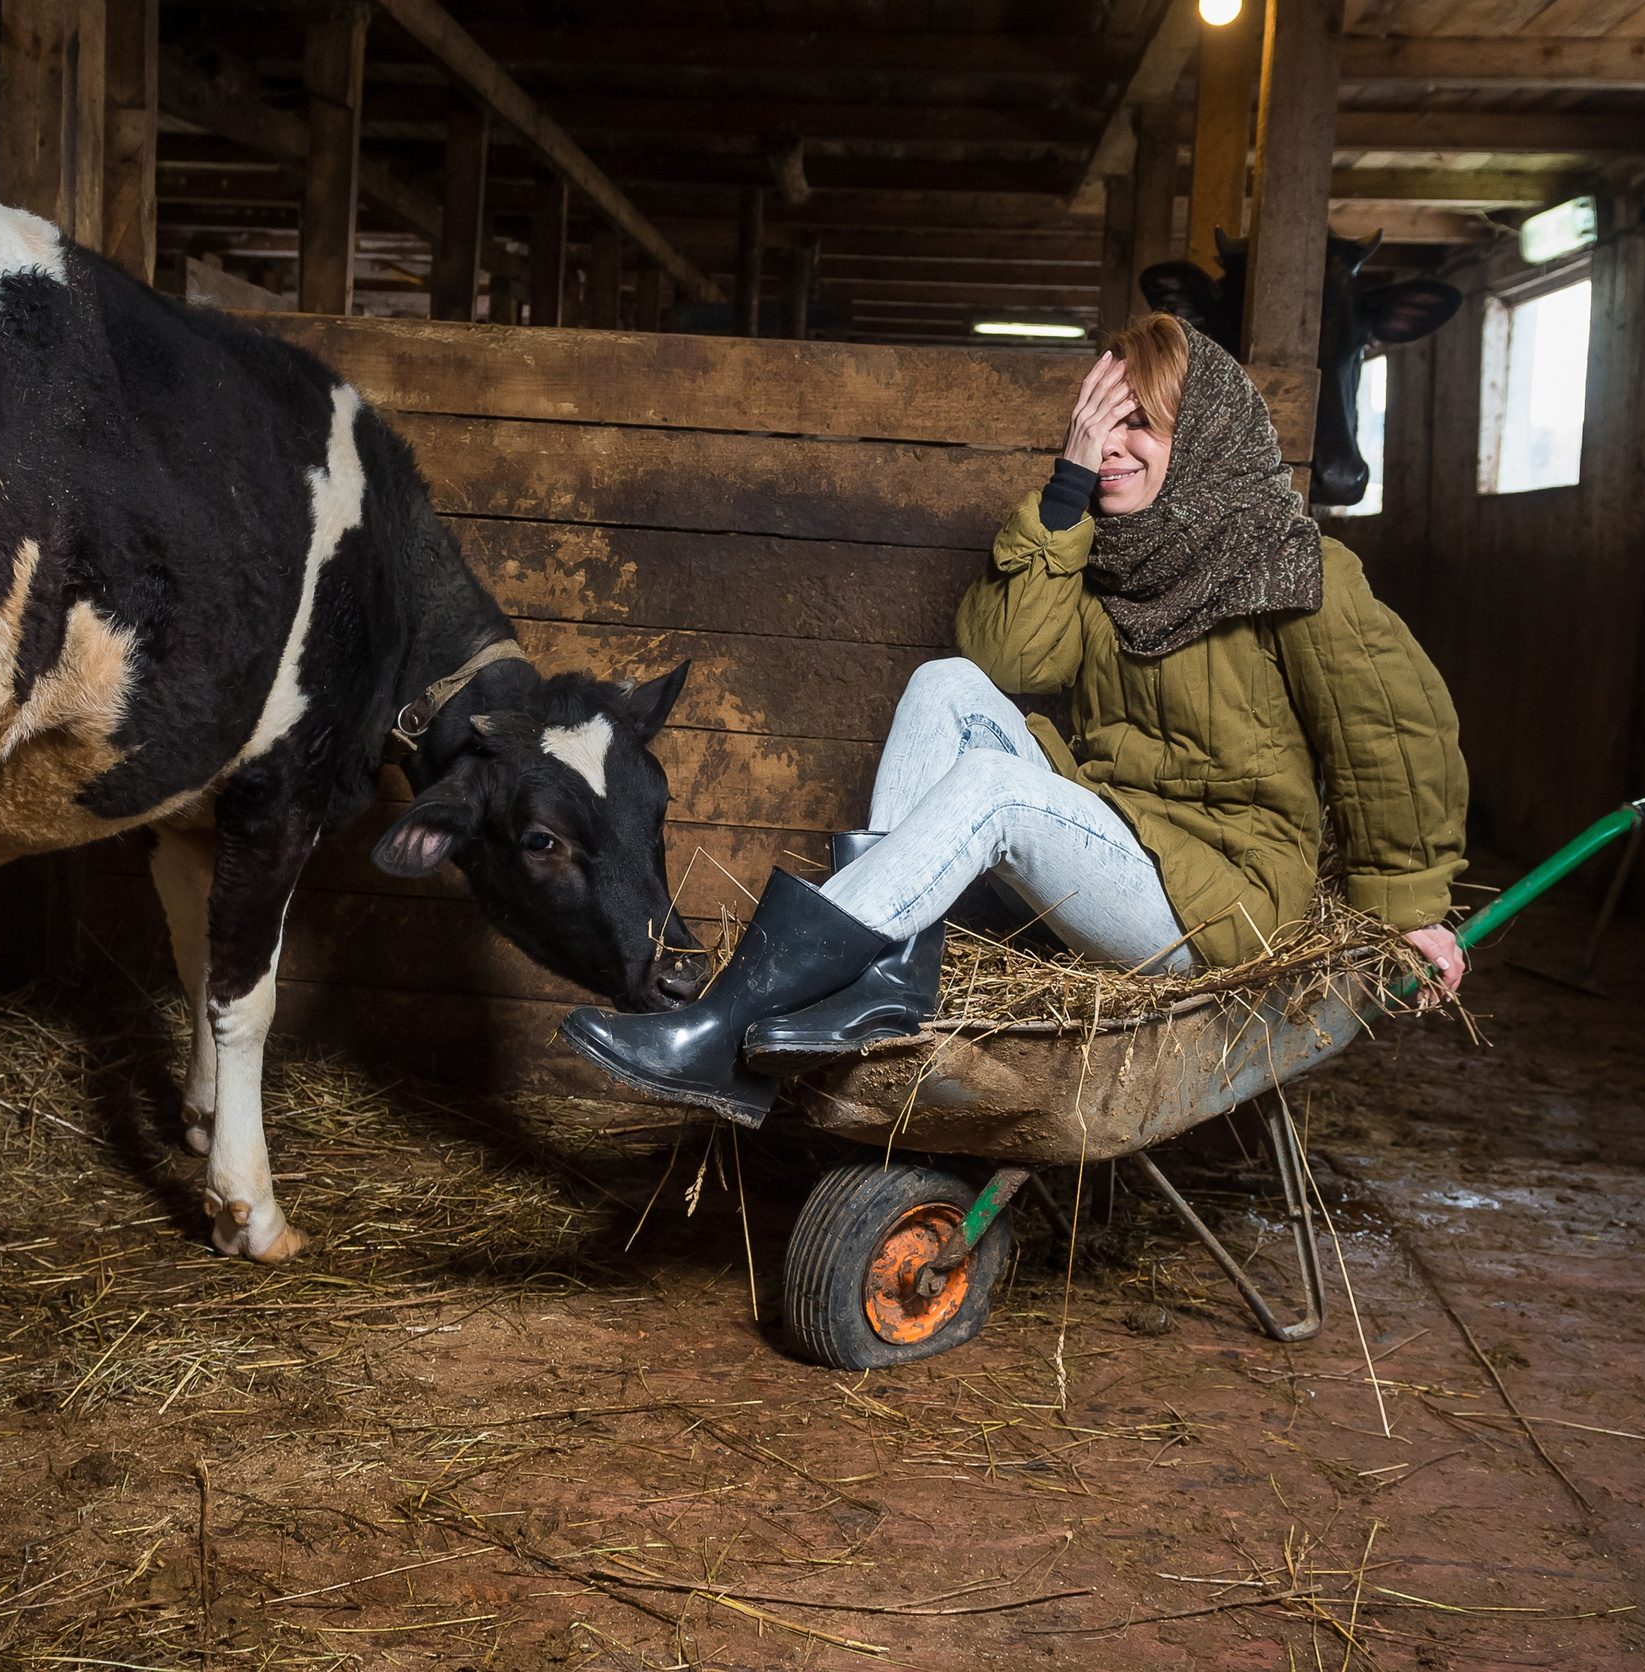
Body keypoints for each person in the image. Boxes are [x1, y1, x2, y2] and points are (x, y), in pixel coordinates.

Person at [563, 313, 1470, 1125]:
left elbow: (1394, 737)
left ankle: (726, 1022)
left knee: (996, 790)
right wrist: (1066, 492)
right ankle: (883, 979)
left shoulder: (1294, 568)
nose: (1111, 446)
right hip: (1124, 842)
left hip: (1222, 899)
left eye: (1139, 425)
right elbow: (1008, 661)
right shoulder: (1112, 561)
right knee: (947, 682)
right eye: (1096, 426)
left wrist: (1410, 907)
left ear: (1202, 439)